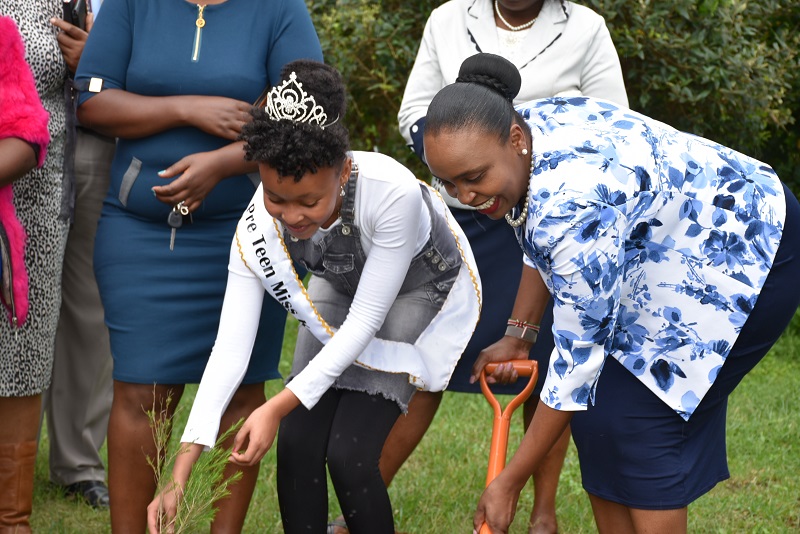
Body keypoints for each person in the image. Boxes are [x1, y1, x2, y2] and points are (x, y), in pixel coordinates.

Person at [422, 53, 800, 534]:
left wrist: (508, 482)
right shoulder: (521, 133)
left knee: (640, 422)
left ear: (515, 140)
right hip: (664, 250)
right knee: (598, 420)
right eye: (449, 182)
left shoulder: (574, 202)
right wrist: (520, 334)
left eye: (474, 178)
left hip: (748, 248)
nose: (466, 196)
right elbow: (542, 243)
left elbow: (576, 364)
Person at [146, 60, 481, 534]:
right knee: (298, 443)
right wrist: (181, 469)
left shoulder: (391, 193)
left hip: (415, 287)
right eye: (276, 198)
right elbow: (229, 351)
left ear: (343, 171)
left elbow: (365, 321)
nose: (292, 215)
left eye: (308, 201)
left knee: (349, 452)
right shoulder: (255, 230)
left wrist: (276, 403)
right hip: (343, 284)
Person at [73, 0, 322, 531]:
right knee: (142, 389)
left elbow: (305, 116)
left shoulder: (280, 10)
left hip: (247, 233)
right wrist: (189, 109)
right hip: (138, 234)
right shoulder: (132, 5)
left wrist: (224, 162)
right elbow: (92, 103)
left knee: (241, 392)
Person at [381, 1, 628, 532]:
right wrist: (461, 154)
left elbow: (613, 124)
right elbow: (413, 111)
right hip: (462, 221)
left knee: (544, 367)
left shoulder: (586, 29)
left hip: (550, 212)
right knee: (427, 362)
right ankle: (365, 500)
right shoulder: (447, 20)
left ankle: (542, 513)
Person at [45, 0, 116, 508]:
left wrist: (101, 60)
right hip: (24, 139)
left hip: (103, 140)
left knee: (92, 306)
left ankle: (79, 463)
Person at [0, 10, 63, 533]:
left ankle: (11, 519)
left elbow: (28, 132)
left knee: (19, 358)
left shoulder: (3, 34)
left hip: (16, 222)